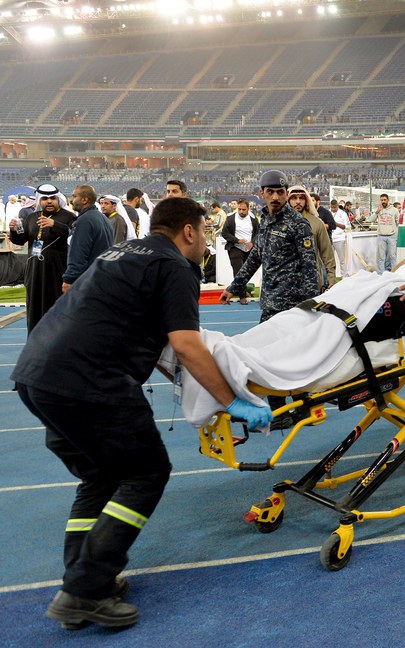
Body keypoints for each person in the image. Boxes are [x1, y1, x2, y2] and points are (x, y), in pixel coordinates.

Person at [12, 197, 273, 630]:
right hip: (90, 380)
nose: (206, 240)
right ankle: (83, 591)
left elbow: (133, 326)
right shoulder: (174, 266)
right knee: (146, 473)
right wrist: (233, 401)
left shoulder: (119, 254)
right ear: (188, 231)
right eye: (204, 231)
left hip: (36, 374)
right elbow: (187, 344)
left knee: (100, 476)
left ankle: (85, 580)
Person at [219, 170, 320, 431]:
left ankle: (290, 410)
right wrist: (234, 287)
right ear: (261, 194)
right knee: (280, 357)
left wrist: (311, 304)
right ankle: (298, 408)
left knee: (281, 357)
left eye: (280, 192)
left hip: (293, 304)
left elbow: (310, 266)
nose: (276, 197)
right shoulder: (264, 221)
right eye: (270, 192)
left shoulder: (298, 224)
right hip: (271, 301)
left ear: (286, 194)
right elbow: (255, 258)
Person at [7, 184, 76, 333]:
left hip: (58, 271)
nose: (49, 201)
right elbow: (20, 240)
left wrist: (55, 225)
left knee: (58, 307)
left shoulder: (69, 217)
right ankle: (35, 343)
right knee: (35, 308)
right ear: (39, 200)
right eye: (45, 198)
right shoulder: (32, 217)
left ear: (58, 199)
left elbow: (74, 235)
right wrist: (13, 231)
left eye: (52, 198)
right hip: (35, 271)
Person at [62, 185, 113, 293]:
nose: (71, 200)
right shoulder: (103, 218)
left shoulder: (85, 220)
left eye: (74, 196)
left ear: (84, 200)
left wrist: (69, 279)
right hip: (101, 277)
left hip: (87, 280)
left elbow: (79, 253)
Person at [288, 185, 336, 291]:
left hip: (312, 282)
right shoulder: (280, 224)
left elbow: (327, 254)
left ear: (306, 200)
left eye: (301, 198)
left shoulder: (317, 223)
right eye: (294, 198)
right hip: (287, 285)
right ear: (288, 200)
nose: (298, 201)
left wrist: (331, 279)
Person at [219, 198, 259, 302]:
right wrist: (237, 240)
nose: (241, 211)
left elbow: (259, 233)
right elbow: (224, 233)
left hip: (249, 249)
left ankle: (244, 290)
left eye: (243, 210)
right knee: (238, 271)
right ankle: (242, 296)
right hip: (235, 248)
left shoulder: (254, 219)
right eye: (239, 209)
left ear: (248, 209)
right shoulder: (230, 218)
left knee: (247, 272)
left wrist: (252, 243)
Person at [369, 193, 400, 272]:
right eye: (382, 200)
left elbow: (398, 222)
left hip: (392, 236)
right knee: (381, 257)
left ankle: (394, 273)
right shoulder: (379, 209)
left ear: (388, 200)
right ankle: (381, 275)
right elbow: (370, 220)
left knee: (392, 256)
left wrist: (394, 231)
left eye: (384, 200)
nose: (383, 201)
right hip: (381, 236)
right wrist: (377, 212)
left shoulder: (394, 210)